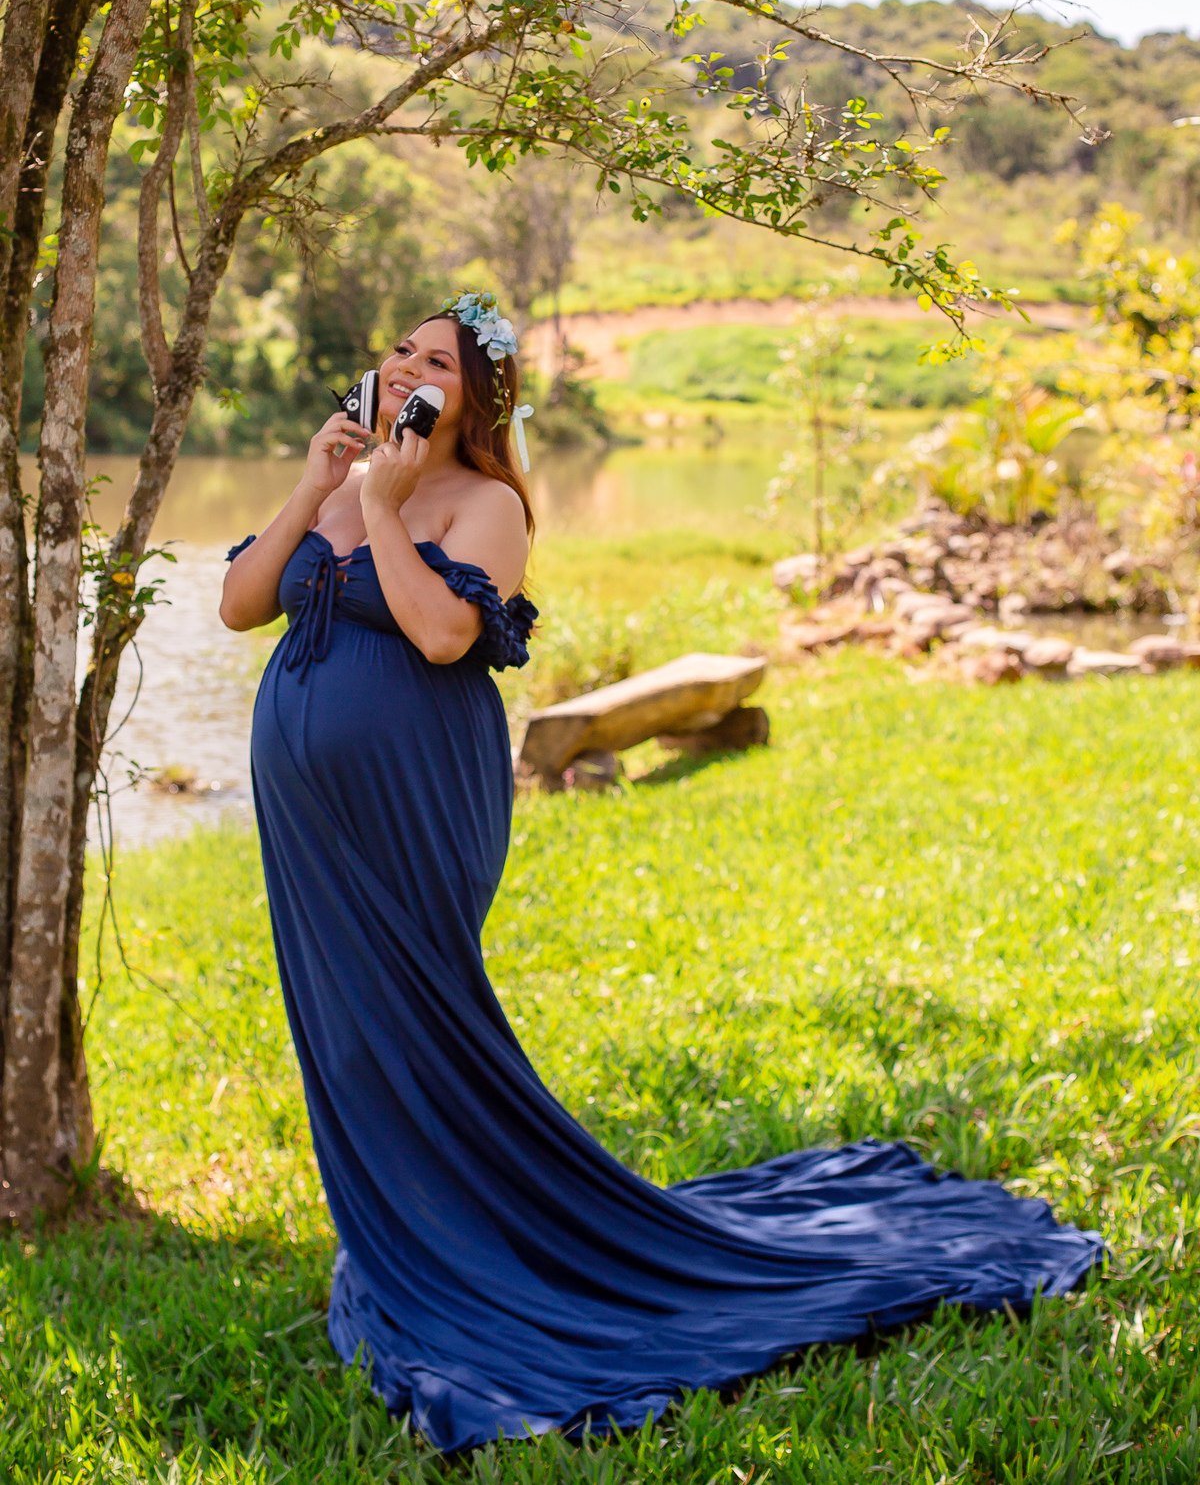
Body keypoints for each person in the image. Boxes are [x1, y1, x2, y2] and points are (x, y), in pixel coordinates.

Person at [221, 291, 1101, 1454]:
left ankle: (472, 1257)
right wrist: (317, 482)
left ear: (475, 400)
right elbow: (239, 605)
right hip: (310, 823)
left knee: (420, 1022)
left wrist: (383, 506)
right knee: (342, 1037)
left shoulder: (487, 505)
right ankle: (402, 1239)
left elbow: (441, 635)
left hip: (416, 804)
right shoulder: (337, 483)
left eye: (437, 362)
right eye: (399, 351)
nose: (406, 371)